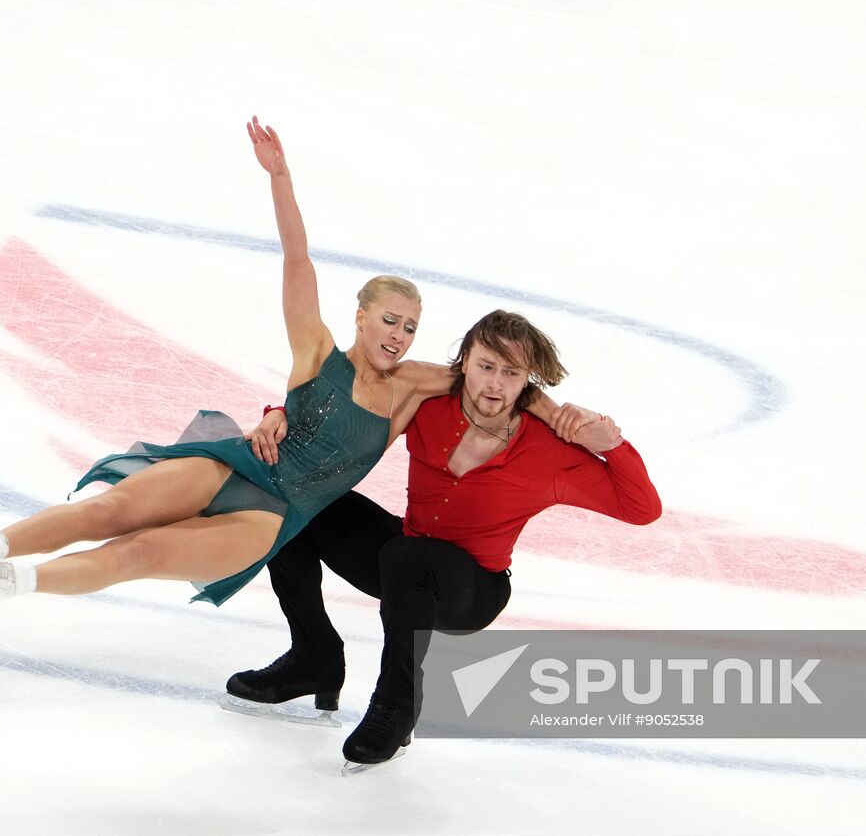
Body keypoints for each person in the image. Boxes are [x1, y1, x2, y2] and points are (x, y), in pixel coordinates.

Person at [0, 117, 457, 605]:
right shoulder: (316, 352)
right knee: (105, 513)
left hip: (270, 518)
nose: (400, 336)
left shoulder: (411, 388)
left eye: (410, 327)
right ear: (360, 317)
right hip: (237, 466)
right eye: (390, 320)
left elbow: (488, 378)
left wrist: (545, 407)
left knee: (137, 554)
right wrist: (280, 179)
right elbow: (298, 258)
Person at [227, 309, 662, 765]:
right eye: (486, 367)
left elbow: (641, 509)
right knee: (296, 499)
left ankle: (396, 706)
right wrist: (276, 414)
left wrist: (611, 444)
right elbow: (342, 417)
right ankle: (314, 656)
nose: (494, 384)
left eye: (510, 373)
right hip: (404, 560)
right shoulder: (429, 407)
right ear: (464, 364)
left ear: (527, 380)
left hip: (472, 589)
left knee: (407, 556)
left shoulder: (551, 451)